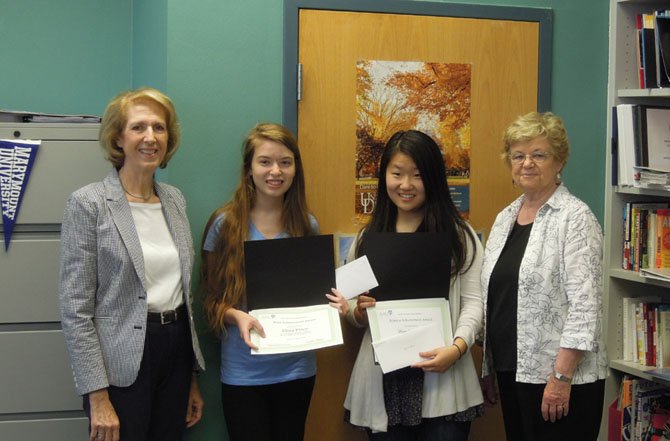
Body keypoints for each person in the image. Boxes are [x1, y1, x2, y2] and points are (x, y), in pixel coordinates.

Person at [59, 87, 205, 441]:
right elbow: (76, 309)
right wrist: (97, 396)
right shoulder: (89, 203)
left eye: (159, 128)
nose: (150, 137)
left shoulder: (174, 200)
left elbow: (182, 294)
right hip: (121, 365)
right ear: (118, 138)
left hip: (175, 350)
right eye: (139, 127)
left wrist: (191, 380)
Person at [339, 130, 485, 440]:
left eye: (417, 175)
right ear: (384, 177)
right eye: (397, 174)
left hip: (443, 375)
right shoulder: (369, 237)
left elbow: (474, 302)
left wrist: (457, 349)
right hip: (384, 380)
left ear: (433, 178)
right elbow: (350, 302)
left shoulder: (460, 236)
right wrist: (359, 312)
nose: (406, 185)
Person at [202, 122, 343, 441]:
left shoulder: (307, 225)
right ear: (248, 169)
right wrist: (235, 315)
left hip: (297, 370)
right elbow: (210, 299)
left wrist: (335, 305)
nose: (275, 171)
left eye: (285, 162)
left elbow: (317, 296)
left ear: (296, 169)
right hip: (243, 372)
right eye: (264, 161)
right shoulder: (224, 225)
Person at [480, 111, 607, 441]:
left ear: (559, 161)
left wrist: (561, 378)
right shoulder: (505, 218)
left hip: (561, 379)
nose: (527, 164)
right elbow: (497, 300)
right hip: (512, 371)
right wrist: (489, 366)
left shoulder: (576, 219)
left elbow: (586, 308)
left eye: (539, 155)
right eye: (518, 155)